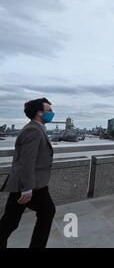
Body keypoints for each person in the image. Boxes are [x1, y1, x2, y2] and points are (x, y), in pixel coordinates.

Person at [0, 98, 56, 248]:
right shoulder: (33, 130)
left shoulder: (36, 128)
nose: (52, 113)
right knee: (47, 212)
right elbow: (27, 161)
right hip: (31, 184)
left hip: (26, 183)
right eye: (49, 110)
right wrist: (27, 188)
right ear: (39, 113)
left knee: (10, 221)